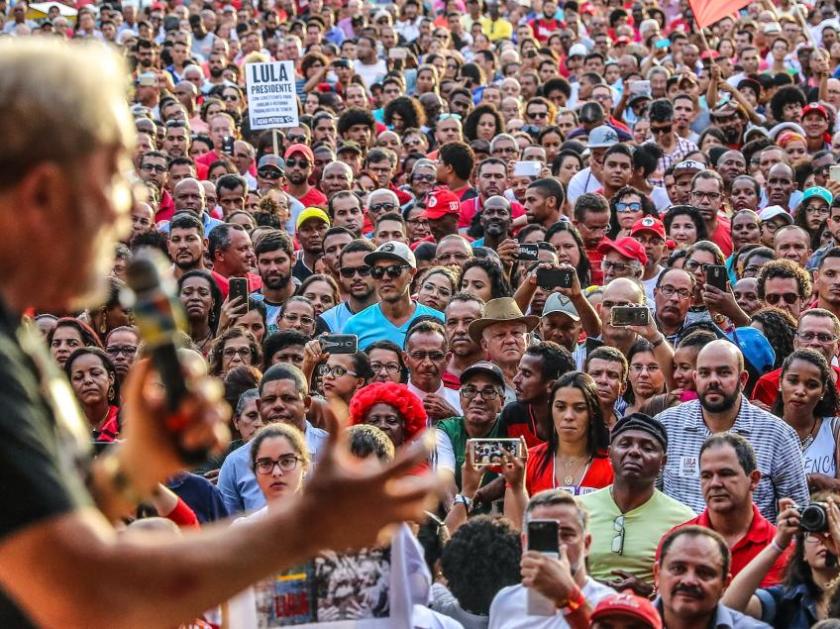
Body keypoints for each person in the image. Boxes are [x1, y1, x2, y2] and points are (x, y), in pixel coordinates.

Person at [0, 39, 436, 629]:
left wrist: (133, 467)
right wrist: (306, 527)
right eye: (115, 173)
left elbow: (35, 536)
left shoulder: (16, 339)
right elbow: (83, 592)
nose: (131, 201)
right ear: (43, 192)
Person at [655, 340, 809, 520]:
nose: (713, 380)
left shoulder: (777, 434)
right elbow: (650, 498)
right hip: (681, 545)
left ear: (742, 380)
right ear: (696, 378)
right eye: (705, 373)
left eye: (724, 372)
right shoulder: (666, 425)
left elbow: (798, 513)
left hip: (756, 546)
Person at [580, 413, 694, 589]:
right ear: (609, 454)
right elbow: (558, 571)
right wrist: (593, 589)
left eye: (647, 448)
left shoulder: (684, 521)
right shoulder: (577, 509)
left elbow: (686, 586)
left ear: (663, 462)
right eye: (625, 444)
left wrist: (649, 592)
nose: (634, 451)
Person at [661, 433, 789, 586]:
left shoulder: (782, 548)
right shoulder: (674, 543)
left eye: (726, 474)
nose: (715, 483)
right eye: (706, 476)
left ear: (754, 479)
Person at [488, 489, 616, 628]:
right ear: (525, 543)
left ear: (586, 544)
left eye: (566, 534)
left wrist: (570, 598)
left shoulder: (609, 604)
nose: (557, 543)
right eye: (543, 535)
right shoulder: (505, 601)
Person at [225, 423, 311, 628]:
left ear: (305, 466)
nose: (277, 472)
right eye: (265, 464)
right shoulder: (242, 533)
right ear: (254, 471)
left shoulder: (331, 528)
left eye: (287, 461)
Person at [217, 364, 329, 515]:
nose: (278, 406)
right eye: (270, 400)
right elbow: (226, 529)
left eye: (288, 398)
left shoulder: (331, 449)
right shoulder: (236, 463)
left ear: (306, 404)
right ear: (259, 405)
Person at [722, 495, 840, 628]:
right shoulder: (787, 600)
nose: (824, 540)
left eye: (832, 531)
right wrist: (778, 544)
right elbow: (727, 608)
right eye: (815, 533)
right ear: (803, 552)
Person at [655, 527, 770, 629]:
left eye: (704, 573)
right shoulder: (637, 622)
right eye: (678, 569)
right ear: (657, 574)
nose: (689, 581)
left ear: (725, 584)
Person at [526, 372, 613, 496]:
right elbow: (514, 515)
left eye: (579, 408)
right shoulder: (530, 460)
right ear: (551, 409)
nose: (568, 416)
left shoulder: (611, 465)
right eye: (560, 407)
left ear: (593, 413)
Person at [344, 242, 445, 349]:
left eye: (394, 270)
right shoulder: (354, 325)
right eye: (378, 271)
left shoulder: (440, 321)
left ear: (411, 273)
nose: (385, 277)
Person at [436, 361, 508, 497]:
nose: (478, 399)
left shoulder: (509, 426)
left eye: (488, 392)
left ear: (502, 402)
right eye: (470, 391)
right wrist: (458, 510)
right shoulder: (446, 430)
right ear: (460, 397)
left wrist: (476, 499)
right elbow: (445, 480)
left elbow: (515, 478)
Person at [772, 349, 840, 491]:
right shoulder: (764, 431)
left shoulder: (835, 430)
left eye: (812, 385)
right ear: (780, 383)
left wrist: (814, 480)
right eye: (793, 381)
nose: (800, 391)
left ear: (822, 391)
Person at [751, 309, 840, 408]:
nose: (815, 342)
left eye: (824, 337)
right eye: (807, 336)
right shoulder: (768, 384)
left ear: (838, 347)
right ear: (795, 342)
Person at [468, 297, 539, 404]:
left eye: (516, 333)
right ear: (485, 345)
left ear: (527, 340)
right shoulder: (478, 382)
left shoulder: (541, 376)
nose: (510, 340)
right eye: (500, 335)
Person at [505, 342, 575, 447]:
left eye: (526, 374)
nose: (516, 380)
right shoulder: (513, 414)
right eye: (518, 371)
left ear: (551, 386)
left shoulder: (574, 422)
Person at [404, 320, 463, 421]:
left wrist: (455, 420)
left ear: (448, 359)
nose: (427, 363)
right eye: (419, 355)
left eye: (436, 356)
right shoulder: (391, 404)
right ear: (405, 359)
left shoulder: (463, 403)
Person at [319, 239, 378, 333]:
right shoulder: (328, 320)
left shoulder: (397, 315)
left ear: (377, 271)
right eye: (348, 272)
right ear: (340, 275)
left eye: (364, 270)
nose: (356, 277)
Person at [65, 347, 121, 443]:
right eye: (78, 377)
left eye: (95, 374)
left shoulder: (128, 422)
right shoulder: (63, 427)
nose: (88, 380)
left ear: (110, 378)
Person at [348, 381, 428, 449]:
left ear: (404, 427)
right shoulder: (348, 466)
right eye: (374, 420)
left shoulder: (417, 466)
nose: (382, 426)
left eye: (391, 421)